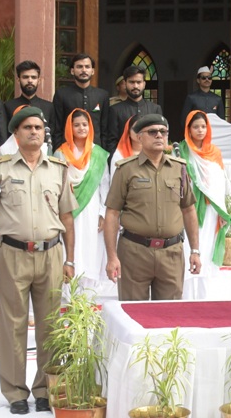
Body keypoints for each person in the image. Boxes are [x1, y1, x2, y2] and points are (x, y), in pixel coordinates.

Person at [0, 107, 76, 415]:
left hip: (51, 254)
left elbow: (67, 217)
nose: (34, 132)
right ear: (16, 133)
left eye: (38, 127)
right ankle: (15, 392)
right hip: (12, 254)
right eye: (27, 127)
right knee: (13, 325)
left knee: (50, 325)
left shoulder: (58, 169)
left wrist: (70, 260)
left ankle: (44, 388)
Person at [104, 114, 201, 301]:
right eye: (152, 132)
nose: (159, 135)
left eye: (163, 132)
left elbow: (189, 210)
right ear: (139, 137)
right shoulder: (126, 169)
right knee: (133, 313)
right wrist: (112, 257)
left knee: (169, 315)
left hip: (171, 254)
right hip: (134, 253)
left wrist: (195, 251)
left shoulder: (179, 168)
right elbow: (112, 213)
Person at [54, 109, 110, 293]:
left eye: (85, 125)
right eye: (76, 125)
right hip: (67, 208)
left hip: (91, 207)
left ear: (90, 127)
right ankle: (68, 293)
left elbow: (104, 184)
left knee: (89, 248)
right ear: (69, 128)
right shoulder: (60, 153)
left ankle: (87, 295)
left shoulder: (98, 154)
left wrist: (102, 212)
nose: (81, 128)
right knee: (69, 246)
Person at [176, 111, 231, 298]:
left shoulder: (214, 152)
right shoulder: (180, 150)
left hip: (210, 208)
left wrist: (222, 211)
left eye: (203, 126)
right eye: (195, 127)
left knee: (206, 248)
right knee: (188, 247)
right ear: (188, 129)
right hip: (187, 206)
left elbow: (220, 183)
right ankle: (185, 295)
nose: (200, 130)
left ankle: (203, 296)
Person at [101, 64, 161, 154]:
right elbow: (112, 142)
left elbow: (159, 137)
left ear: (144, 84)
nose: (135, 86)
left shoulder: (155, 109)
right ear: (125, 84)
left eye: (139, 82)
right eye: (132, 82)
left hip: (150, 159)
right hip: (123, 159)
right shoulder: (115, 110)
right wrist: (117, 161)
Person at [0, 61, 54, 150]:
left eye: (33, 77)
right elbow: (4, 135)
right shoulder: (8, 106)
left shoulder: (49, 107)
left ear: (39, 81)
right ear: (18, 80)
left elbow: (52, 135)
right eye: (25, 77)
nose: (30, 80)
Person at [52, 53, 108, 148]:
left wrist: (103, 152)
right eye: (79, 67)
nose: (84, 70)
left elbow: (105, 129)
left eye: (87, 67)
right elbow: (57, 127)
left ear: (93, 71)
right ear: (72, 71)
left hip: (95, 150)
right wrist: (58, 150)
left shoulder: (102, 95)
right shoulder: (62, 94)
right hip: (68, 150)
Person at [110, 114, 140, 179]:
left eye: (143, 128)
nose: (139, 132)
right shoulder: (119, 155)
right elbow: (115, 181)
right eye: (136, 128)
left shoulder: (155, 153)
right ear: (128, 132)